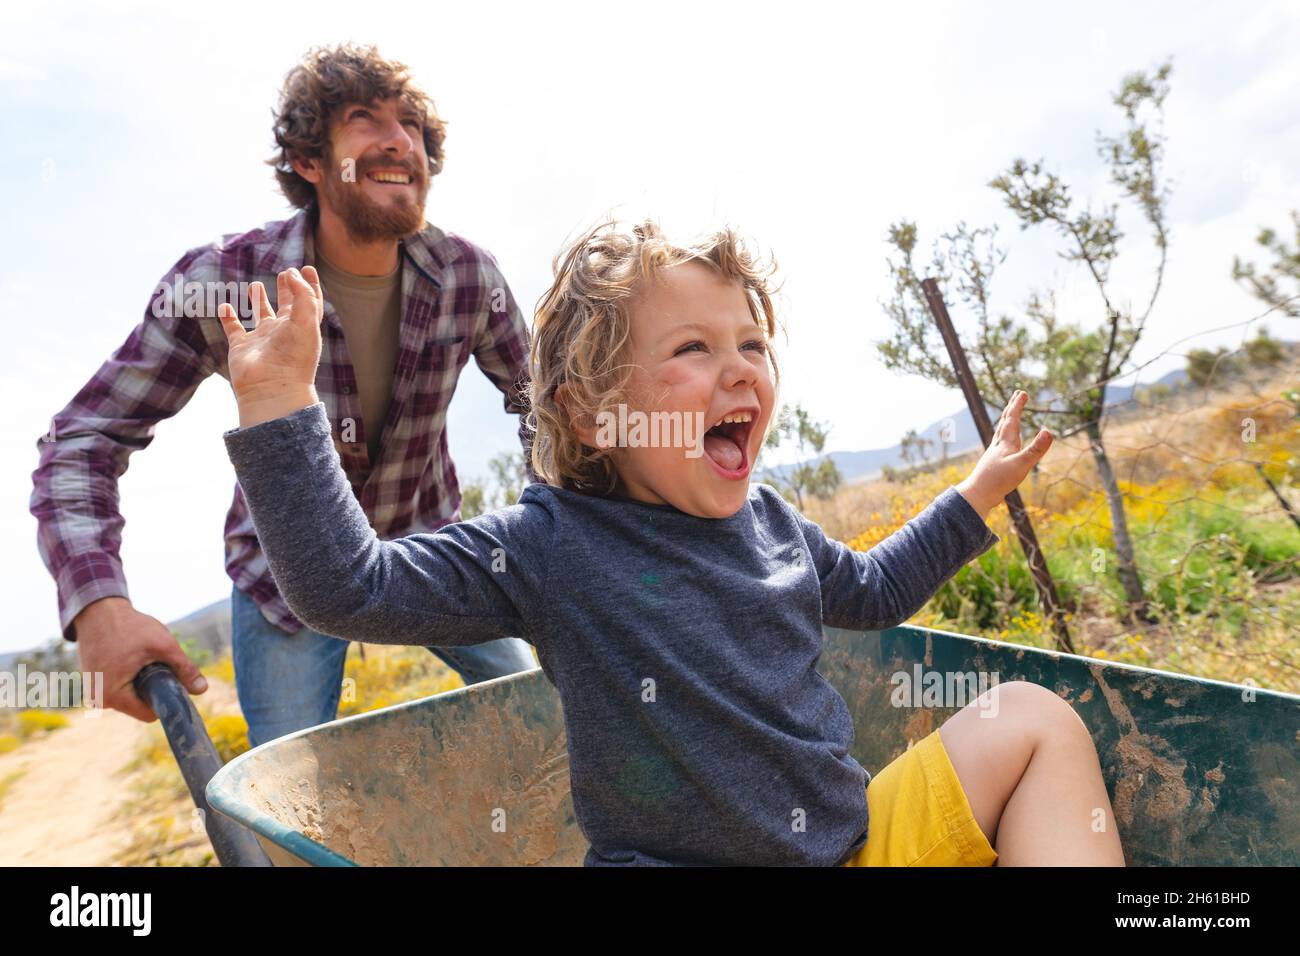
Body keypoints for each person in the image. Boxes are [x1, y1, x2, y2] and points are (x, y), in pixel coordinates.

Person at [216, 218, 1126, 865]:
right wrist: (278, 405)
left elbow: (879, 590)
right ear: (587, 410)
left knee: (1034, 720)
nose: (739, 367)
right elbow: (350, 588)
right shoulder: (552, 544)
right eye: (692, 347)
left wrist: (977, 493)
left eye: (753, 344)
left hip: (856, 850)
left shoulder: (772, 524)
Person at [29, 43, 537, 747]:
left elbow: (545, 406)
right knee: (285, 800)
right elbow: (83, 439)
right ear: (308, 161)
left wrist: (559, 530)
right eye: (365, 118)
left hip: (431, 554)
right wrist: (98, 604)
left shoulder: (468, 277)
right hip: (284, 583)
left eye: (414, 126)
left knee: (548, 720)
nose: (400, 139)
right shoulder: (226, 280)